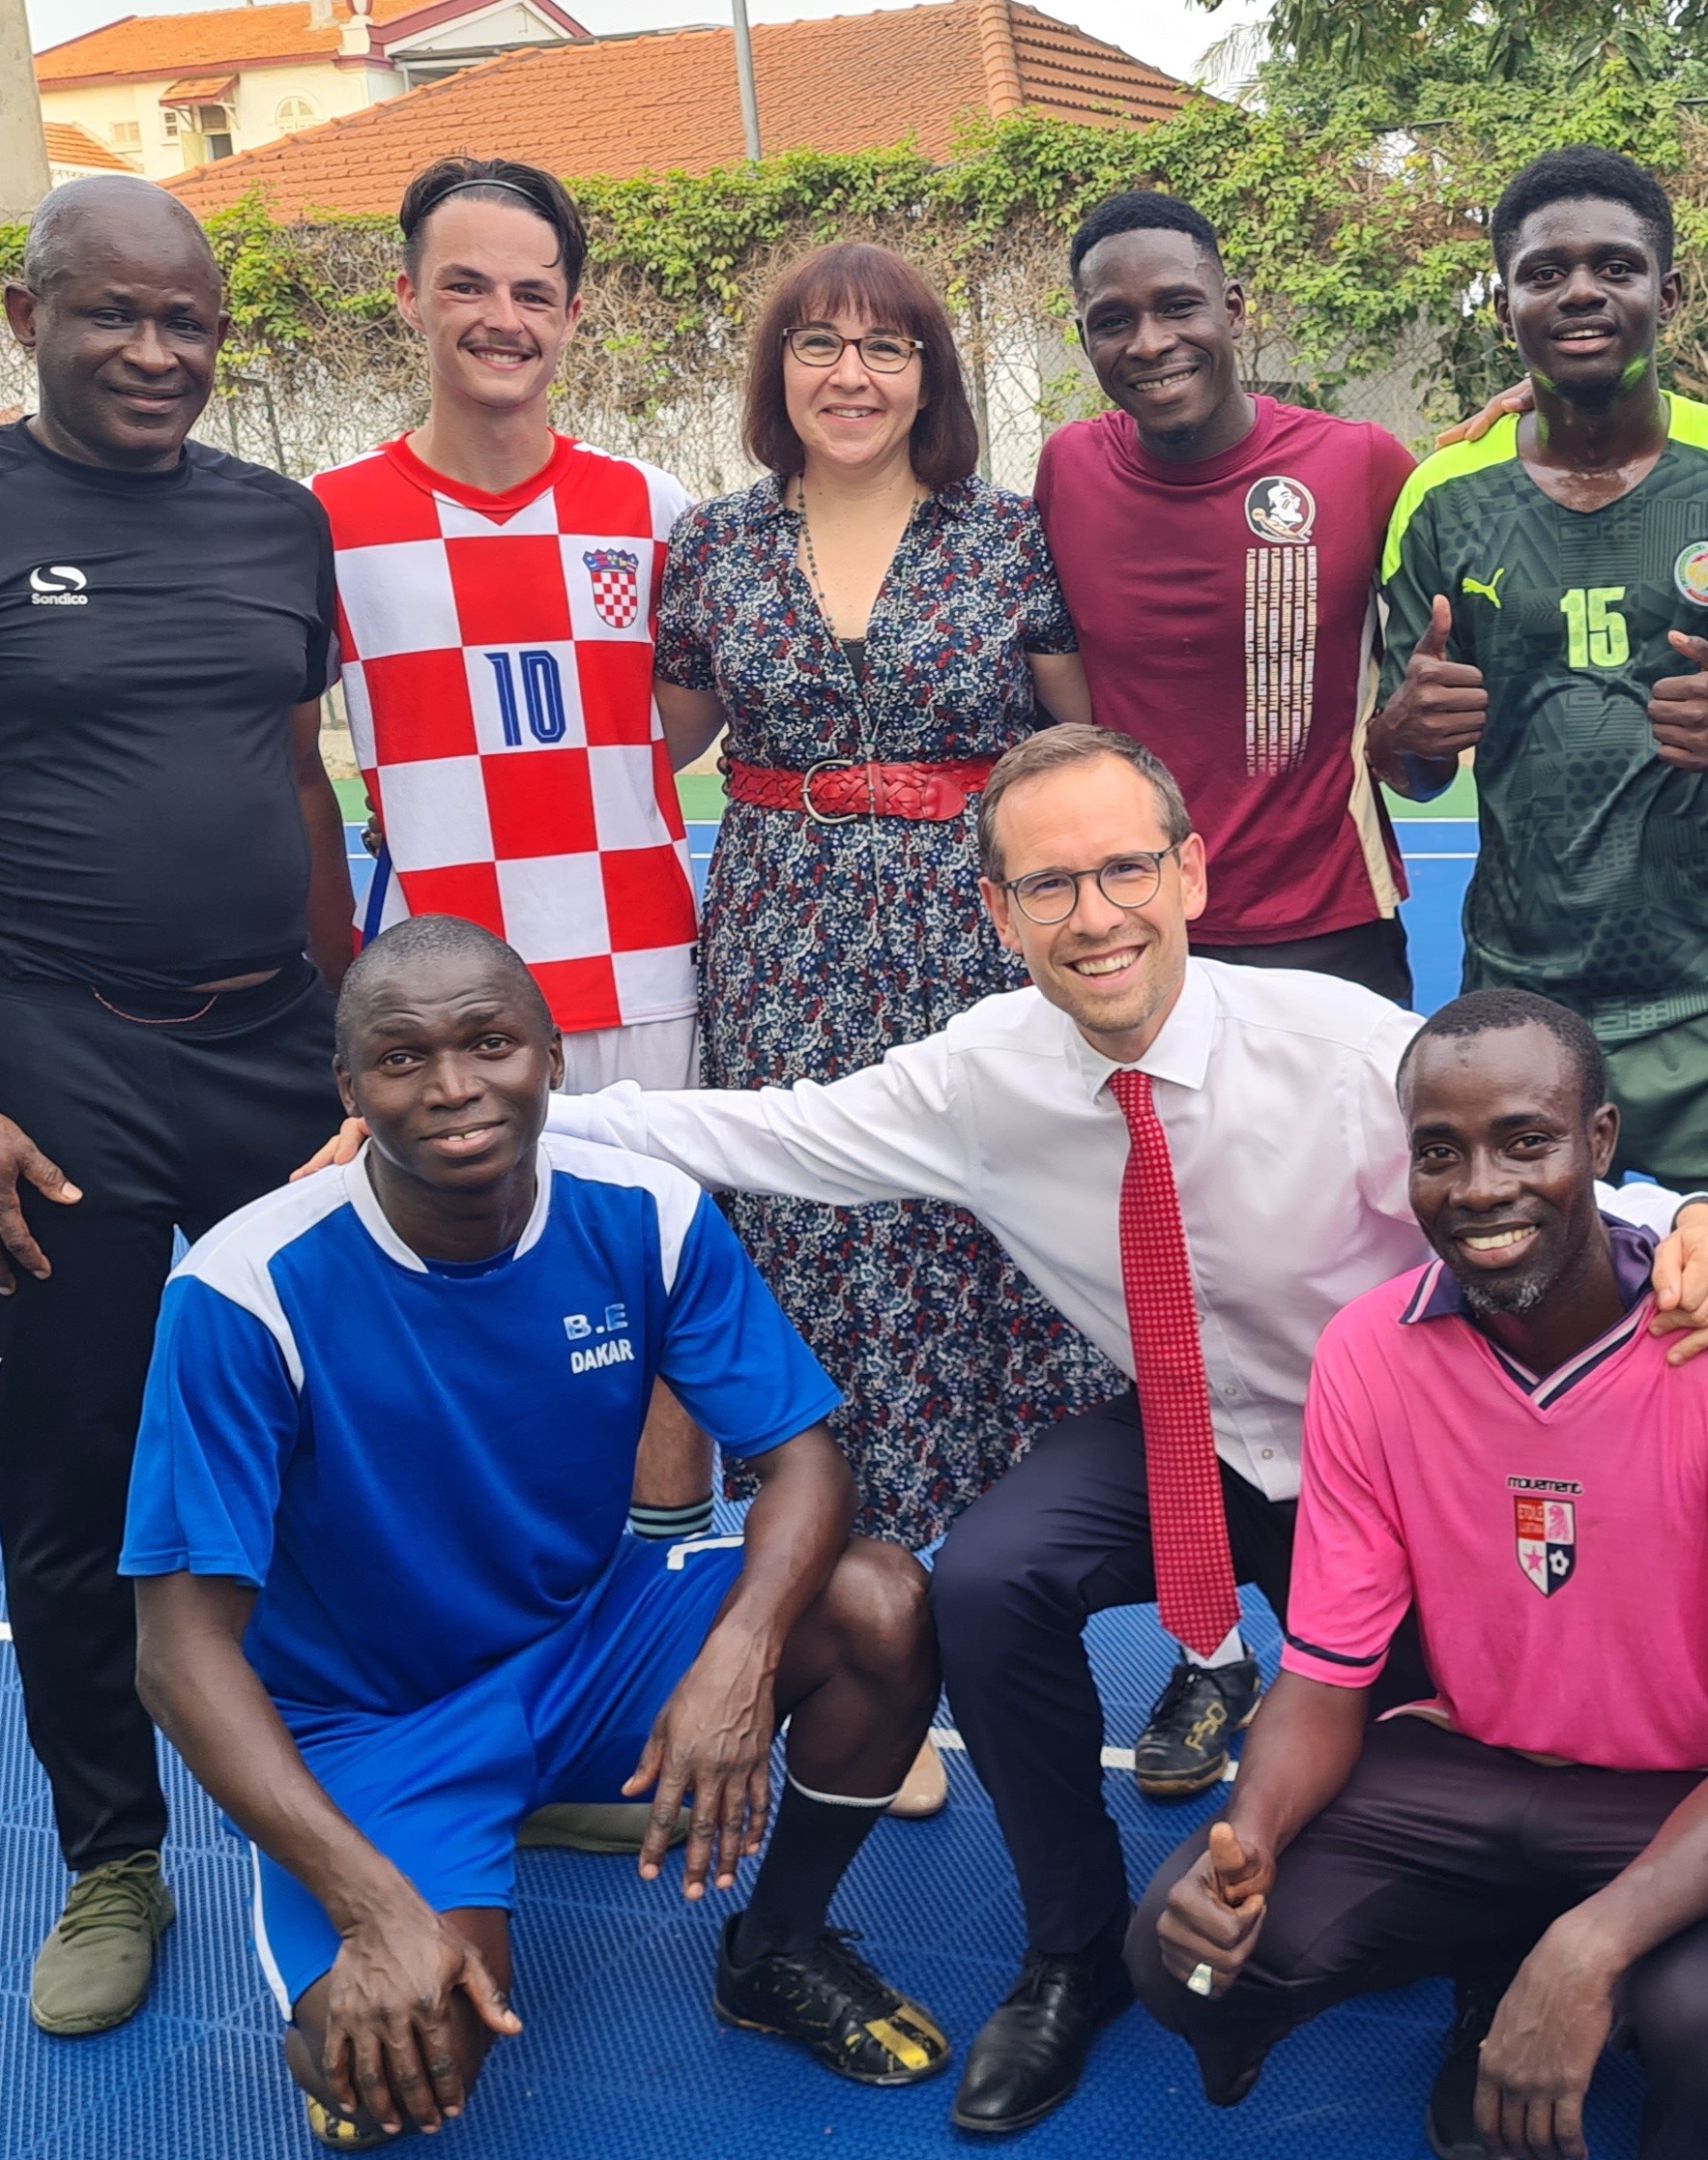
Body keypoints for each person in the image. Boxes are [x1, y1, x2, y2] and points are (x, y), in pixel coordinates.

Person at [535, 725, 1708, 2136]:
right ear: (995, 913)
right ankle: (1069, 1951)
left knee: (1462, 1723)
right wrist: (503, 1117)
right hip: (1189, 1440)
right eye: (1048, 886)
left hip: (1394, 1469)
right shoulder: (978, 1076)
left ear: (1190, 872)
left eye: (1125, 867)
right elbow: (759, 1132)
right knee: (989, 1578)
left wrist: (1689, 1219)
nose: (1094, 915)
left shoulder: (1335, 1049)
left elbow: (1523, 1159)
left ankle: (1480, 1971)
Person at [0, 176, 358, 2043]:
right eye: (112, 313)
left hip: (276, 1046)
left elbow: (295, 780)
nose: (153, 351)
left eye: (187, 320)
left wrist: (347, 1020)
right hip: (46, 1060)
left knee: (354, 1428)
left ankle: (423, 1759)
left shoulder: (280, 525)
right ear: (25, 312)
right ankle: (113, 1852)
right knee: (72, 1473)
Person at [127, 919, 951, 2145]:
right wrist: (367, 1908)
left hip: (591, 1640)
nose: (455, 1087)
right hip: (370, 1721)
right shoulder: (244, 1293)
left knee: (878, 1601)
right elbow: (179, 1654)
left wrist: (738, 1659)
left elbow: (801, 1459)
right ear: (348, 1089)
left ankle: (772, 1950)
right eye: (401, 1060)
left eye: (491, 1043)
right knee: (404, 2069)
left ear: (552, 1060)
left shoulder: (642, 1214)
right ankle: (409, 1883)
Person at [1134, 989, 1708, 2160]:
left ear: (1602, 1148)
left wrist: (1590, 1945)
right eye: (1438, 1151)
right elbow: (1322, 1671)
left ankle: (1634, 2025)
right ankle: (1492, 1961)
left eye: (1526, 1141)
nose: (1478, 1187)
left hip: (1701, 1791)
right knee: (1186, 1958)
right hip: (1471, 1770)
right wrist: (1243, 1847)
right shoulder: (1368, 1353)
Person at [650, 243, 1109, 1595]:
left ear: (929, 377)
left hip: (971, 942)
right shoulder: (714, 544)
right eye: (816, 344)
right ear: (774, 369)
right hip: (779, 948)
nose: (849, 375)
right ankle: (859, 1609)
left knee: (987, 1235)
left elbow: (1082, 743)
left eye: (886, 347)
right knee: (808, 1241)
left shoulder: (1008, 535)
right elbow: (656, 741)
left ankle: (1030, 1595)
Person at [309, 158, 719, 1566]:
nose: (502, 316)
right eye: (468, 284)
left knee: (660, 1309)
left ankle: (666, 1629)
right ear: (408, 296)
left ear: (573, 313)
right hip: (442, 1010)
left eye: (532, 291)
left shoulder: (653, 510)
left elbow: (689, 717)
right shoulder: (328, 520)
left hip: (644, 973)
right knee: (464, 1319)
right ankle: (505, 1644)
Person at [1372, 145, 1708, 1324]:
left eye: (1613, 266)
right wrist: (1408, 728)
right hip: (1523, 1007)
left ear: (1666, 294)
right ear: (1505, 304)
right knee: (1537, 1328)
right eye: (1543, 272)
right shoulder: (1442, 501)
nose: (1578, 292)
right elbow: (1405, 757)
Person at [1037, 192, 1420, 1002]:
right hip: (1130, 925)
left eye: (1178, 307)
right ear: (1085, 340)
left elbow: (1471, 510)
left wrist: (1518, 427)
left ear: (1233, 308)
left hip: (1328, 922)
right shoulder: (1067, 469)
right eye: (1113, 321)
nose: (1150, 344)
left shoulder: (1360, 465)